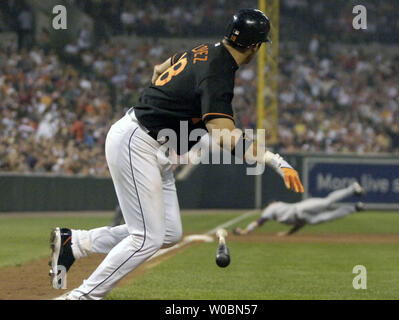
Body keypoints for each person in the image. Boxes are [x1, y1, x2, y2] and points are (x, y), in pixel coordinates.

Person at [49, 9, 304, 300]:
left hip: (151, 142)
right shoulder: (220, 71)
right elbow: (222, 134)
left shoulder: (205, 50)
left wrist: (163, 105)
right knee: (147, 238)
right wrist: (276, 161)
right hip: (139, 140)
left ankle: (76, 243)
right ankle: (82, 297)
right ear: (256, 46)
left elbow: (160, 69)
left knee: (169, 232)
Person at [233, 182, 365, 236]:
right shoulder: (280, 217)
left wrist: (245, 230)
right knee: (329, 216)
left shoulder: (272, 208)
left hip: (301, 208)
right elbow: (299, 224)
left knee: (327, 202)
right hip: (304, 218)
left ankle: (352, 189)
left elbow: (260, 221)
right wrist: (288, 234)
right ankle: (355, 208)